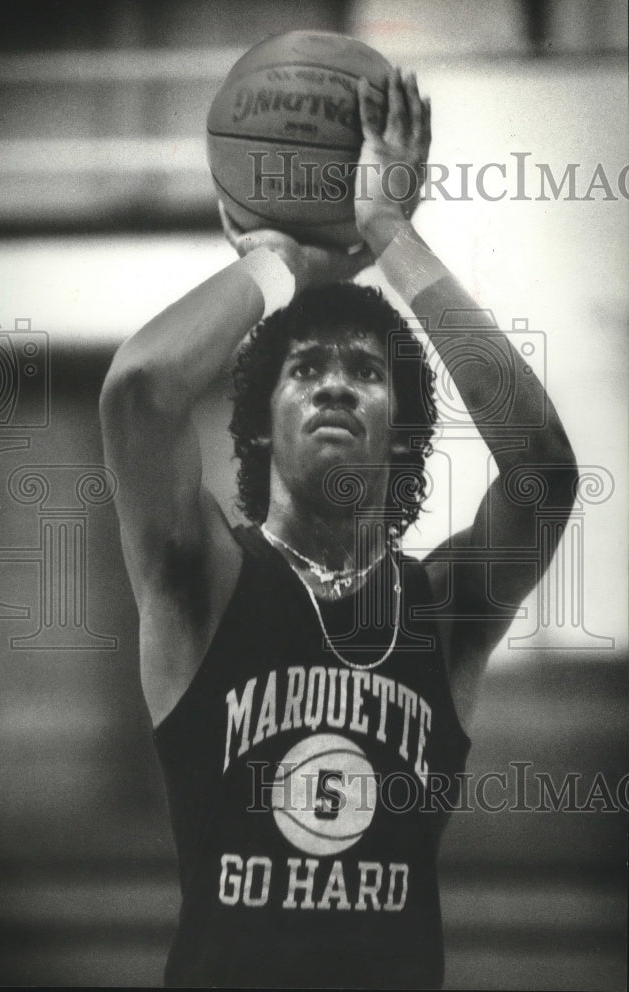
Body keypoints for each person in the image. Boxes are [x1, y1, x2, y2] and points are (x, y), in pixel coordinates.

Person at [99, 69, 577, 989]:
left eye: (365, 371)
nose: (333, 385)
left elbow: (545, 470)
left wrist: (390, 234)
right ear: (258, 423)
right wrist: (281, 261)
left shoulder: (442, 610)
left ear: (399, 427)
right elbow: (140, 391)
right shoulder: (202, 579)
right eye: (305, 369)